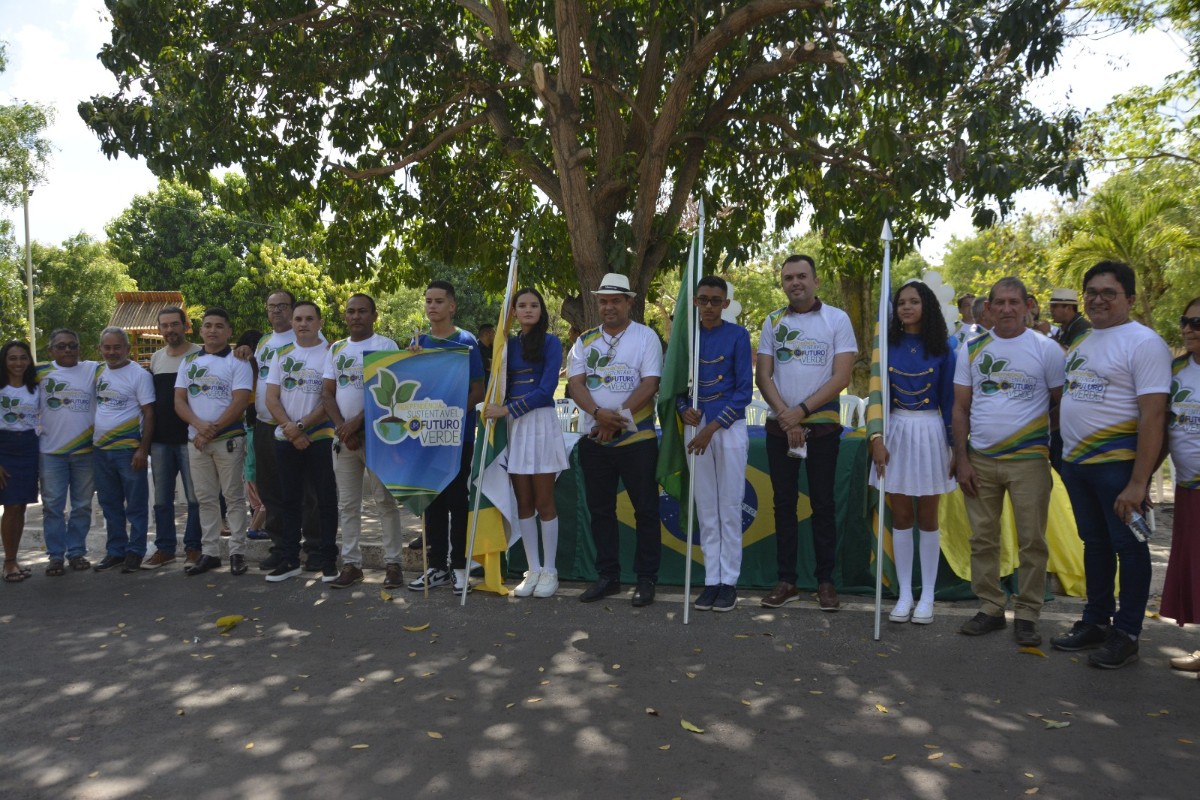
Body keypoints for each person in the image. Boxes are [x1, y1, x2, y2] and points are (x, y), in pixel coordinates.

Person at [1051, 261, 1172, 668]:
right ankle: (1095, 622)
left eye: (1109, 292)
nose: (1097, 299)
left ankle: (1127, 632)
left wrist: (1139, 482)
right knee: (1095, 544)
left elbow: (1154, 416)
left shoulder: (1144, 343)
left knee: (1131, 548)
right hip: (1078, 466)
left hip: (1119, 468)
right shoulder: (1084, 341)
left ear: (1130, 299)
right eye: (1092, 291)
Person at [952, 277, 1064, 645]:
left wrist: (1043, 442)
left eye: (1014, 302)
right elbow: (961, 407)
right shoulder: (972, 347)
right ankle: (990, 607)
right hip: (980, 459)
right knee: (983, 538)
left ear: (1028, 305)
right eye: (998, 302)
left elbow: (1059, 402)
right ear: (987, 308)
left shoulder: (1046, 349)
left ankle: (1028, 613)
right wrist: (962, 458)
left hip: (1029, 459)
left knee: (1032, 539)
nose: (1006, 309)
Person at [755, 255, 856, 611]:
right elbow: (763, 376)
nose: (794, 283)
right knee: (783, 505)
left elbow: (841, 377)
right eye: (787, 278)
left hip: (823, 428)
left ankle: (825, 581)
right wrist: (787, 416)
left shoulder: (837, 319)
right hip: (781, 428)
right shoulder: (773, 321)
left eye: (801, 276)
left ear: (815, 281)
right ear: (782, 283)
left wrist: (802, 412)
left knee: (823, 504)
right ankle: (787, 580)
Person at [568, 273, 663, 606]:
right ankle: (607, 576)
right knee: (601, 510)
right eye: (603, 301)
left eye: (615, 300)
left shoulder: (646, 337)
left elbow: (650, 384)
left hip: (636, 439)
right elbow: (576, 385)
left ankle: (646, 578)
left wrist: (615, 418)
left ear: (629, 302)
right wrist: (599, 414)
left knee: (646, 510)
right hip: (595, 438)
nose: (608, 306)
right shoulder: (585, 341)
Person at [867, 280, 957, 624]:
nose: (906, 307)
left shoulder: (945, 347)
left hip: (931, 432)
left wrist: (953, 447)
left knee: (928, 517)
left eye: (914, 301)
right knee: (901, 516)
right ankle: (905, 593)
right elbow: (878, 396)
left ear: (927, 306)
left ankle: (928, 595)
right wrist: (877, 438)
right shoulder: (885, 346)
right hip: (895, 431)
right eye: (901, 302)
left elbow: (950, 402)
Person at [482, 287, 570, 599]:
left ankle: (550, 570)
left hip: (540, 424)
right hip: (514, 428)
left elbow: (547, 389)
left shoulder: (551, 342)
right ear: (514, 312)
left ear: (541, 311)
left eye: (534, 305)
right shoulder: (505, 345)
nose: (528, 310)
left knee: (544, 501)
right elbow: (493, 381)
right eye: (522, 305)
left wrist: (507, 408)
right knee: (524, 502)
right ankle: (532, 569)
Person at [674, 276, 752, 612]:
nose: (709, 306)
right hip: (697, 425)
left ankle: (729, 581)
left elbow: (744, 392)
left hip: (728, 427)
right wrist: (683, 410)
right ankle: (710, 580)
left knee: (729, 507)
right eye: (703, 299)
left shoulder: (737, 336)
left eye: (716, 300)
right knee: (706, 507)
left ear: (726, 304)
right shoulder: (685, 339)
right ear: (694, 301)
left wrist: (712, 428)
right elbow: (677, 387)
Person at [406, 281, 486, 595]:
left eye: (439, 301)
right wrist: (409, 360)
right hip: (425, 438)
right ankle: (435, 566)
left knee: (456, 500)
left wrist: (450, 415)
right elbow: (410, 386)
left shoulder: (466, 341)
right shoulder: (417, 341)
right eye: (428, 301)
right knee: (432, 501)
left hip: (458, 437)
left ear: (452, 306)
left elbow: (478, 390)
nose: (432, 306)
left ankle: (461, 567)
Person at [322, 293, 405, 590]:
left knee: (385, 501)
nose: (355, 316)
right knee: (347, 505)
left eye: (362, 311)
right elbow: (327, 393)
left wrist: (357, 425)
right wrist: (343, 428)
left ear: (374, 315)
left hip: (378, 439)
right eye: (350, 311)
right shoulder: (336, 349)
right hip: (343, 441)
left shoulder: (386, 346)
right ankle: (352, 564)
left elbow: (389, 393)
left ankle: (394, 564)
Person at [244, 290, 324, 573]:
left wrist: (297, 427)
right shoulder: (265, 342)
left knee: (308, 492)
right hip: (268, 425)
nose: (276, 311)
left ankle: (314, 547)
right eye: (271, 306)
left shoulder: (311, 339)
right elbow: (260, 377)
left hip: (307, 427)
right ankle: (280, 546)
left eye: (282, 306)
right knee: (271, 489)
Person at [174, 307, 253, 576]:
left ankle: (237, 552)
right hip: (196, 441)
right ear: (201, 330)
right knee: (205, 500)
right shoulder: (189, 362)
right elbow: (179, 400)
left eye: (219, 326)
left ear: (229, 331)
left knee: (234, 498)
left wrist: (214, 429)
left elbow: (240, 400)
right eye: (208, 325)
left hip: (228, 439)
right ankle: (209, 552)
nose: (213, 330)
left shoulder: (238, 361)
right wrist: (198, 427)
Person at [264, 300, 337, 583]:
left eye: (309, 319)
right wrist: (290, 429)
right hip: (287, 439)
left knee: (325, 501)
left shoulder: (331, 352)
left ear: (319, 322)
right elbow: (271, 397)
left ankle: (328, 559)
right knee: (289, 500)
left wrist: (301, 426)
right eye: (298, 319)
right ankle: (290, 559)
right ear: (292, 323)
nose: (303, 324)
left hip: (320, 437)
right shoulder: (281, 354)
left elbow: (327, 399)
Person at [91, 328, 156, 574]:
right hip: (101, 450)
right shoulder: (98, 372)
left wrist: (143, 449)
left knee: (136, 506)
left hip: (129, 450)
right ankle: (116, 551)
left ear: (127, 349)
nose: (112, 352)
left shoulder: (139, 375)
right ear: (100, 349)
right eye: (107, 347)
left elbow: (150, 413)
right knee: (109, 504)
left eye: (117, 347)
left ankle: (135, 552)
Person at [38, 329, 101, 576]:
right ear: (51, 350)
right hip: (50, 452)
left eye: (72, 346)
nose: (68, 350)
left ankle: (76, 552)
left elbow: (123, 367)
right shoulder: (39, 373)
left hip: (85, 451)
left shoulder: (93, 369)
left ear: (79, 348)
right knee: (52, 506)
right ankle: (55, 556)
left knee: (83, 505)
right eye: (62, 346)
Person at [145, 307, 202, 568]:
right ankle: (165, 548)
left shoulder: (200, 354)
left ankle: (193, 548)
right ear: (159, 329)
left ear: (186, 326)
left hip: (190, 438)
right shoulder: (156, 359)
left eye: (175, 324)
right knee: (162, 500)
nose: (170, 330)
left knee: (194, 498)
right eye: (165, 325)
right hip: (160, 441)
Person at [1164, 298, 1200, 670]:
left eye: (1197, 323)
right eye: (1184, 320)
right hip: (1189, 489)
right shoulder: (1175, 370)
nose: (1188, 328)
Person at [0, 341, 39, 582]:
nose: (18, 363)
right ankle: (9, 562)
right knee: (11, 505)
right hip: (4, 447)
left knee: (22, 505)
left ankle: (14, 559)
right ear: (4, 361)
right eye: (12, 358)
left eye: (23, 358)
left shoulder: (35, 388)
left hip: (28, 447)